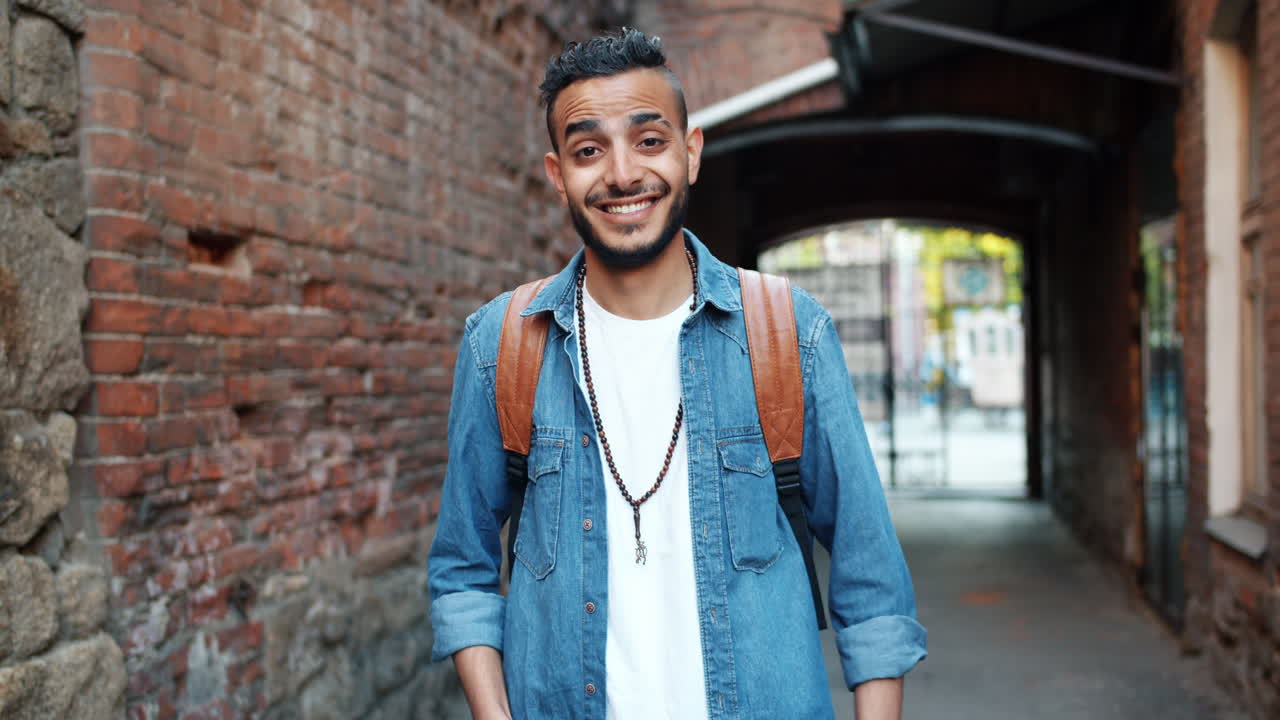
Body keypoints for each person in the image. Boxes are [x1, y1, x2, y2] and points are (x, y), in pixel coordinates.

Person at [427, 28, 926, 720]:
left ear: (690, 154)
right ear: (557, 174)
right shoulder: (503, 345)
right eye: (588, 150)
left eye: (649, 140)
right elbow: (463, 570)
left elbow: (872, 585)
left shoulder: (787, 333)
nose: (622, 174)